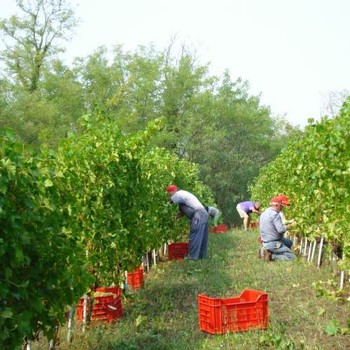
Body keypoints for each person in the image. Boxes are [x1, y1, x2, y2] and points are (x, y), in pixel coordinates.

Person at [166, 184, 209, 260]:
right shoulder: (183, 195)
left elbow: (168, 203)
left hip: (198, 214)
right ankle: (202, 257)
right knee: (202, 237)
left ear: (172, 191)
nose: (169, 195)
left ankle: (192, 257)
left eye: (169, 193)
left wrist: (162, 208)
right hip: (203, 213)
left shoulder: (177, 194)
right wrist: (174, 218)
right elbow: (182, 212)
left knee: (194, 235)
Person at [259, 196, 296, 261]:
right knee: (293, 258)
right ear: (276, 205)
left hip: (266, 241)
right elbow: (281, 230)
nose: (282, 208)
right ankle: (270, 256)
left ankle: (267, 250)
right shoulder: (275, 214)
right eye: (281, 206)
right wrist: (291, 226)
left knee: (289, 243)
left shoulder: (264, 213)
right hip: (273, 242)